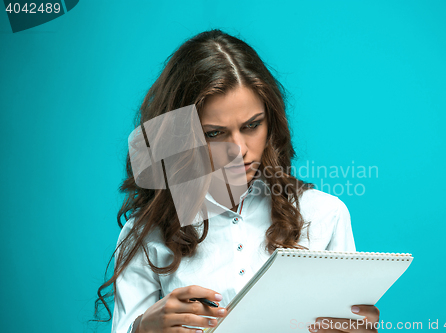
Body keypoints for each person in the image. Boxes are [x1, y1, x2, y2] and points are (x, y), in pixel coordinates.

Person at [94, 29, 380, 333]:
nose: (238, 151)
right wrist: (141, 329)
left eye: (252, 125)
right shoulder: (145, 233)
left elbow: (350, 322)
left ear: (271, 121)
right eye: (214, 133)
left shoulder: (325, 214)